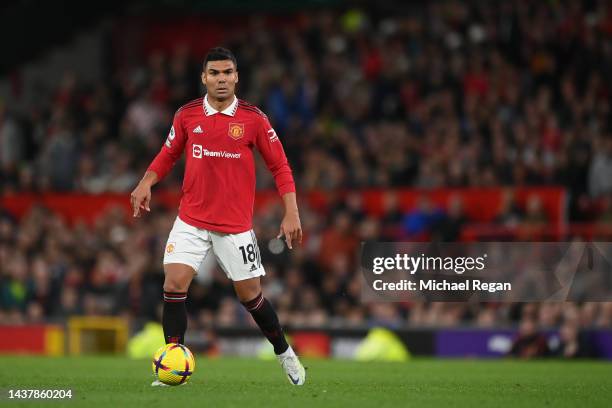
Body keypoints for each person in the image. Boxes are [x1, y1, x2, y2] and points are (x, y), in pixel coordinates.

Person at [130, 47, 306, 386]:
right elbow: (168, 154)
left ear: (236, 77)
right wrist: (145, 182)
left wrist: (291, 212)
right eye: (215, 73)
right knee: (173, 284)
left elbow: (280, 165)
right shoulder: (187, 115)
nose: (221, 79)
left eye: (227, 73)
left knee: (251, 297)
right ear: (204, 78)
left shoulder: (254, 119)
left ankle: (285, 353)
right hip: (191, 221)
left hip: (235, 228)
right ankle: (172, 363)